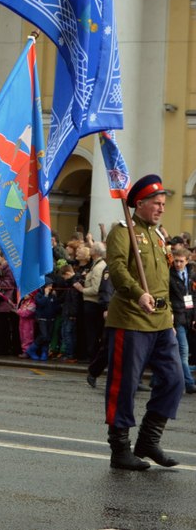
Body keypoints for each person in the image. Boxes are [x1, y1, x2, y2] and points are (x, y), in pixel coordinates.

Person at [103, 174, 184, 471]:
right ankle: (120, 448)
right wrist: (138, 294)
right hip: (132, 318)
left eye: (163, 203)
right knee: (124, 385)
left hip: (162, 321)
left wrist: (173, 312)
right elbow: (117, 270)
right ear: (140, 203)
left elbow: (165, 277)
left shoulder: (159, 235)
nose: (162, 208)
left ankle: (149, 440)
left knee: (175, 380)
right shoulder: (122, 233)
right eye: (157, 203)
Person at [169, 247, 196, 394]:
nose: (178, 264)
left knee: (173, 350)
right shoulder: (169, 275)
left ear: (186, 261)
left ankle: (157, 379)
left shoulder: (191, 274)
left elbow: (194, 296)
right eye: (176, 261)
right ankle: (188, 382)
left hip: (188, 315)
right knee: (183, 351)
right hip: (177, 315)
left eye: (181, 261)